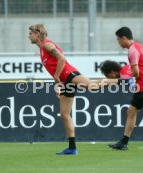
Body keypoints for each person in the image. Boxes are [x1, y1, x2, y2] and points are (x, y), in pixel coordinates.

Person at [28, 24, 119, 155]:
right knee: (65, 115)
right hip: (65, 81)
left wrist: (57, 76)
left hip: (69, 74)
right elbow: (55, 67)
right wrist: (59, 83)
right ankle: (72, 148)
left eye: (31, 33)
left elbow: (62, 59)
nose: (29, 36)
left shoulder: (47, 45)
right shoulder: (42, 49)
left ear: (37, 33)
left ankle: (124, 81)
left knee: (92, 86)